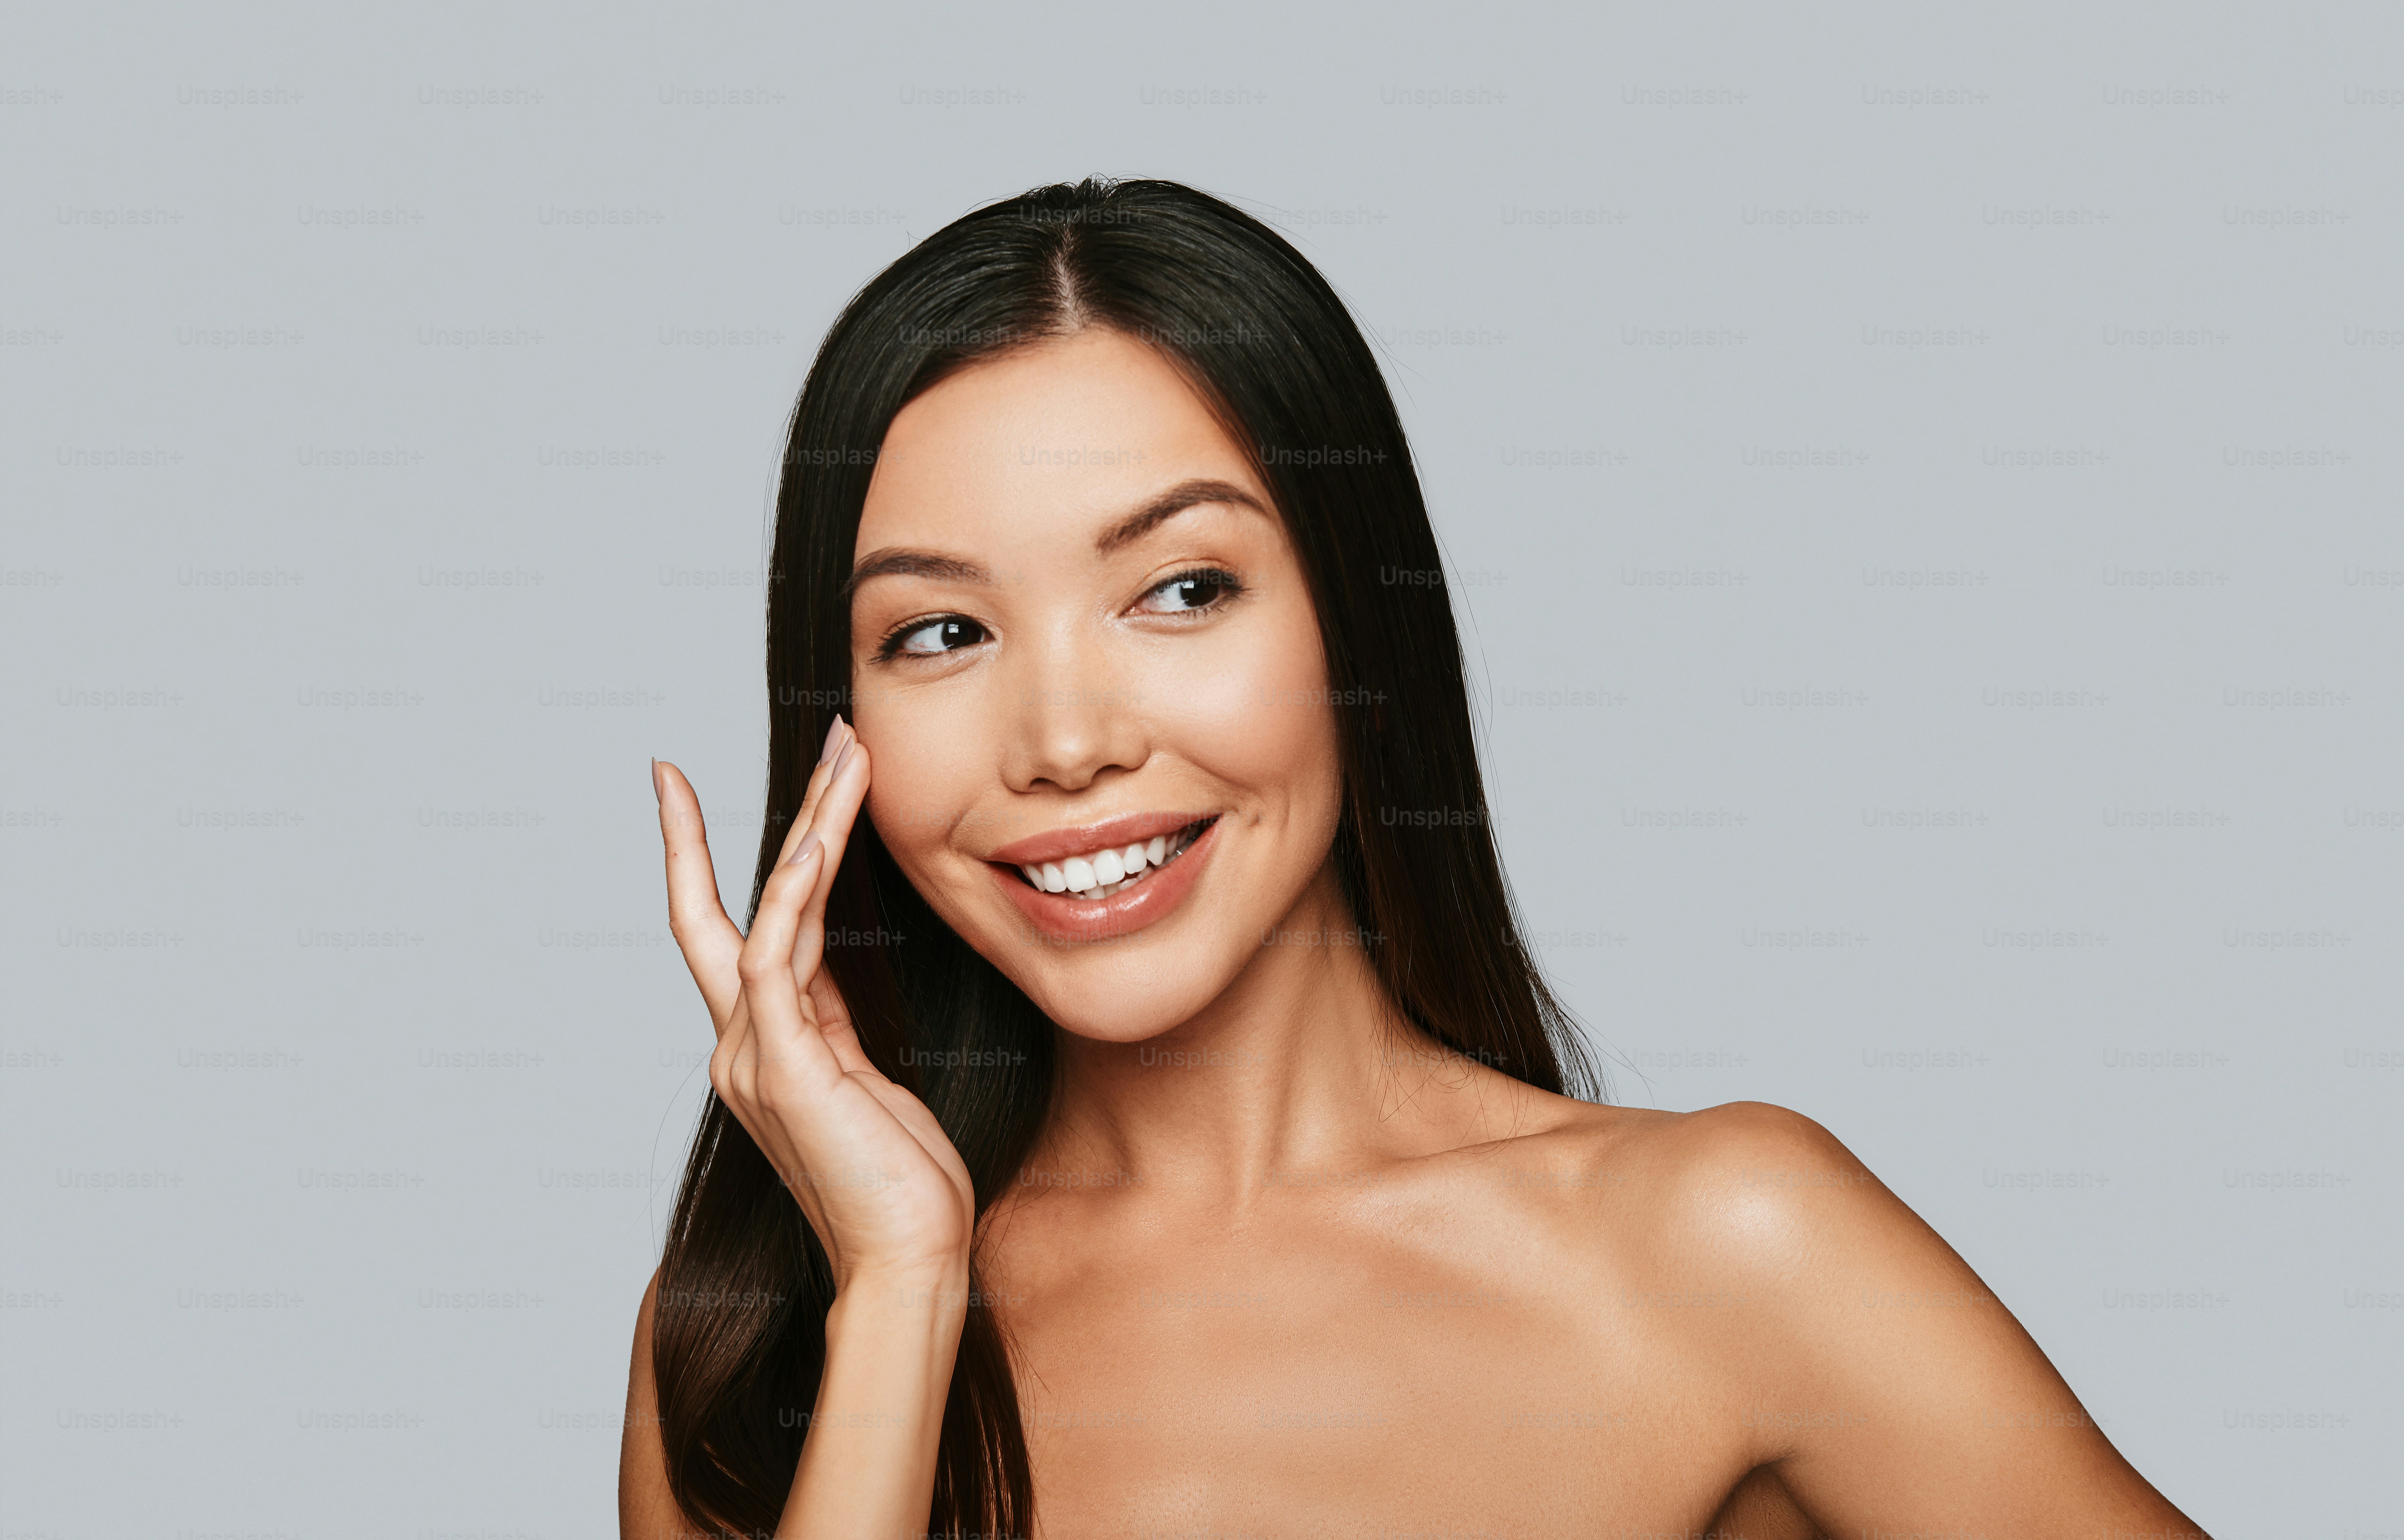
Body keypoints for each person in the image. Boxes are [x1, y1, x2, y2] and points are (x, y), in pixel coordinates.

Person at [619, 179, 2206, 1539]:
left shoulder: (1723, 1250)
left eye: (1179, 590)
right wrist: (900, 1287)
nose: (1063, 740)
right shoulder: (757, 1332)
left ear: (1354, 630)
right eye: (941, 631)